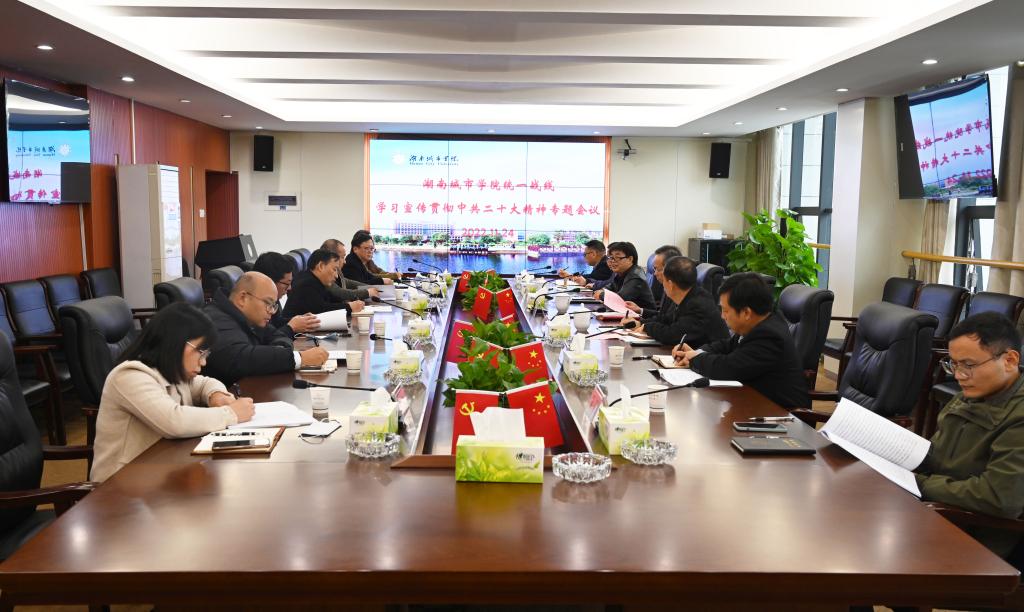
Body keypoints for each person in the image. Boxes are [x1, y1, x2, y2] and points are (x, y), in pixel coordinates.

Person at [90, 303, 256, 482]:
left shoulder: (171, 371)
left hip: (160, 473)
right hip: (120, 486)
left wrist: (216, 395)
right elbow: (174, 421)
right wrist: (231, 414)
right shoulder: (130, 376)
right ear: (177, 344)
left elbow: (204, 383)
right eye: (201, 352)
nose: (203, 362)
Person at [915, 312, 1024, 559]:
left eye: (969, 365)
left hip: (978, 540)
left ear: (1009, 360)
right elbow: (938, 454)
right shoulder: (970, 396)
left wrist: (921, 484)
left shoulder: (1018, 416)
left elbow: (999, 497)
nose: (959, 375)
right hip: (937, 512)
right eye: (954, 364)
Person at [673, 272, 808, 409]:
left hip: (781, 414)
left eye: (725, 310)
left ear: (746, 313)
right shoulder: (760, 321)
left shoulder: (769, 335)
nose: (722, 316)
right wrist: (697, 352)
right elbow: (727, 345)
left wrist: (694, 359)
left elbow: (728, 367)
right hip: (753, 402)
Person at [202, 271, 328, 386]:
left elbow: (278, 335)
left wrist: (277, 353)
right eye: (268, 303)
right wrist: (299, 358)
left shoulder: (250, 316)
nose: (272, 311)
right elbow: (240, 358)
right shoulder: (215, 320)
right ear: (242, 298)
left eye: (274, 305)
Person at [628, 255, 728, 347]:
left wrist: (647, 327)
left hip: (710, 356)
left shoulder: (697, 304)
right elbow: (666, 319)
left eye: (664, 280)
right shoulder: (689, 295)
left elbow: (672, 335)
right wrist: (640, 323)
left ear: (670, 284)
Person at [283, 248, 366, 319]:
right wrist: (349, 307)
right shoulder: (306, 284)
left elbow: (331, 301)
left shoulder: (317, 281)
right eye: (334, 269)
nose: (336, 276)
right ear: (321, 266)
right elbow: (321, 311)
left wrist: (351, 303)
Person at [252, 251, 320, 337]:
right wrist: (291, 328)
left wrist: (300, 320)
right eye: (286, 284)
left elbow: (276, 323)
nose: (289, 288)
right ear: (270, 281)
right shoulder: (254, 306)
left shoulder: (271, 300)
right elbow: (265, 340)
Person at [591, 241, 657, 311]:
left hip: (643, 316)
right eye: (611, 257)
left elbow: (620, 299)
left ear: (630, 259)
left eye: (617, 257)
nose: (612, 261)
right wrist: (602, 290)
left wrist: (601, 295)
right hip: (626, 313)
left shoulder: (636, 276)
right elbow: (610, 287)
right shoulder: (621, 273)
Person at [625, 245, 680, 315]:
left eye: (658, 269)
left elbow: (667, 320)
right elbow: (662, 316)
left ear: (671, 268)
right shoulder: (667, 285)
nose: (655, 273)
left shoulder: (679, 292)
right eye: (654, 269)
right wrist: (639, 310)